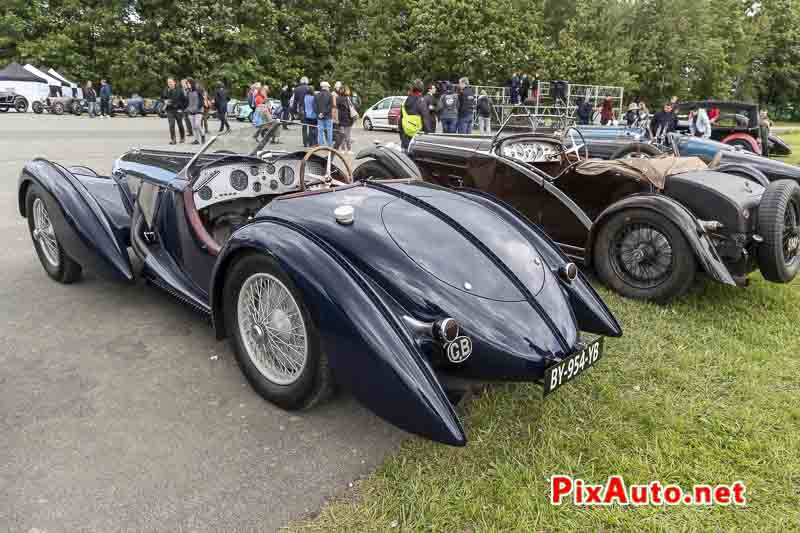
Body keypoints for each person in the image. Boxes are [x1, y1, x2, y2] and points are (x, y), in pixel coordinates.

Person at [399, 79, 432, 151]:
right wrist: (428, 134)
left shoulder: (404, 102)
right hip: (417, 137)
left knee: (405, 158)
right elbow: (425, 119)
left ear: (412, 88)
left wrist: (401, 136)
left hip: (405, 136)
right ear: (422, 89)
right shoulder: (421, 102)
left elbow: (400, 120)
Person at [161, 77, 186, 144]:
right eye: (168, 83)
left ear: (174, 82)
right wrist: (164, 101)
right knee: (171, 125)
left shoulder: (179, 90)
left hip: (178, 110)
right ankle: (173, 139)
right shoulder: (166, 90)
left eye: (171, 82)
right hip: (169, 110)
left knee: (180, 124)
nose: (169, 84)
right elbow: (162, 98)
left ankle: (182, 137)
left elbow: (184, 101)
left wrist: (181, 109)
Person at [335, 85, 356, 153]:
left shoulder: (337, 98)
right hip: (348, 118)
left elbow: (337, 108)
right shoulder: (348, 98)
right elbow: (352, 108)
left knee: (342, 135)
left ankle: (343, 150)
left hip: (340, 118)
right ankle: (349, 150)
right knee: (348, 135)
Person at [185, 79, 205, 145]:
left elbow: (202, 101)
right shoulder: (188, 92)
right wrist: (186, 108)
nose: (187, 85)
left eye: (188, 83)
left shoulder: (198, 91)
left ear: (191, 84)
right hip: (190, 110)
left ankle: (202, 135)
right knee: (193, 126)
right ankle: (196, 140)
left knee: (197, 124)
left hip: (198, 110)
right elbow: (186, 102)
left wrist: (198, 107)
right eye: (187, 84)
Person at [315, 81, 334, 146]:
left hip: (319, 116)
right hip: (328, 116)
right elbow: (331, 106)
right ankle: (330, 144)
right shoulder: (330, 94)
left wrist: (319, 113)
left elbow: (314, 106)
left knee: (320, 131)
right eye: (328, 87)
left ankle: (320, 144)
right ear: (326, 87)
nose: (329, 88)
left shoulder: (317, 95)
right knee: (329, 131)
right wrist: (323, 113)